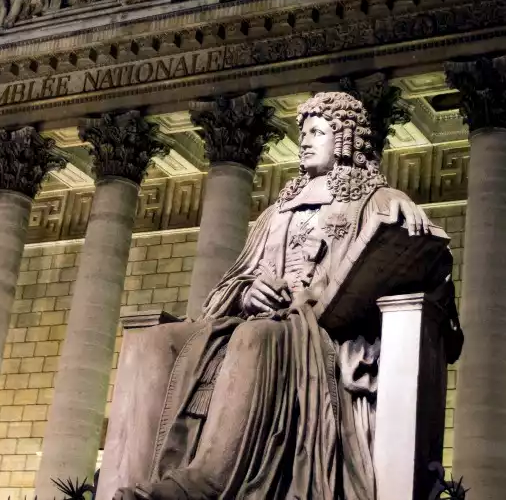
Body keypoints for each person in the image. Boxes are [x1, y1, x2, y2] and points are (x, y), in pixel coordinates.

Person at [116, 92, 461, 500]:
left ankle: (208, 480)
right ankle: (133, 483)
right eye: (304, 132)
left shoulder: (379, 201)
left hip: (324, 337)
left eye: (318, 131)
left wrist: (407, 226)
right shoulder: (276, 212)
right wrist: (248, 292)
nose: (306, 140)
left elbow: (428, 268)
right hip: (256, 323)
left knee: (258, 336)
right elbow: (228, 287)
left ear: (346, 138)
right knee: (154, 342)